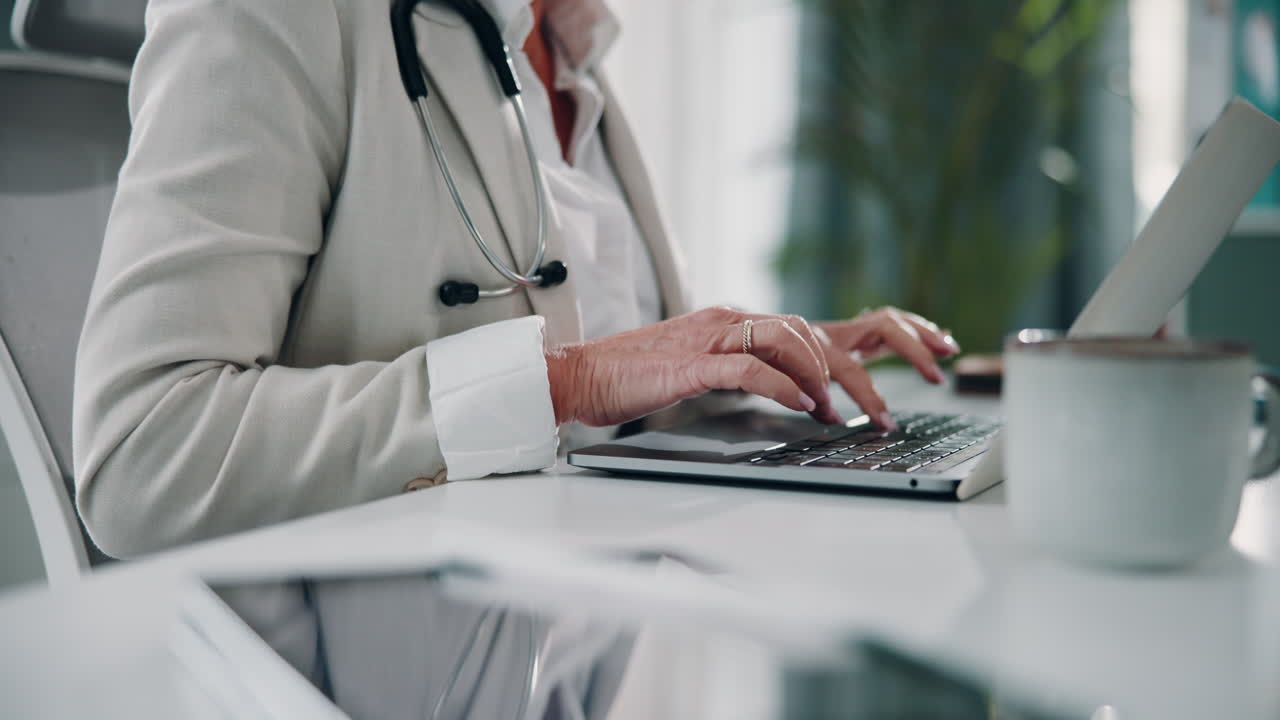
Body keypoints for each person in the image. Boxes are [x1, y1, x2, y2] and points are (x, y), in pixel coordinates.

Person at [73, 0, 959, 560]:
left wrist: (755, 362)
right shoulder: (274, 15)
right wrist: (568, 378)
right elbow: (142, 455)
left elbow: (614, 401)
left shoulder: (574, 48)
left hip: (599, 635)